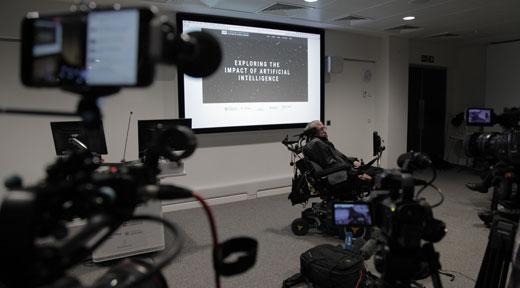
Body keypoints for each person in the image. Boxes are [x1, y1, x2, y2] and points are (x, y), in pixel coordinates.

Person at [302, 120, 373, 182]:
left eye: (324, 128)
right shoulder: (316, 143)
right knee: (379, 174)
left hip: (347, 170)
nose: (324, 131)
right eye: (321, 129)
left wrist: (353, 161)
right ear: (314, 131)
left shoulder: (323, 142)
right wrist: (356, 173)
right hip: (344, 173)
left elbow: (339, 157)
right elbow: (332, 165)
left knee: (376, 172)